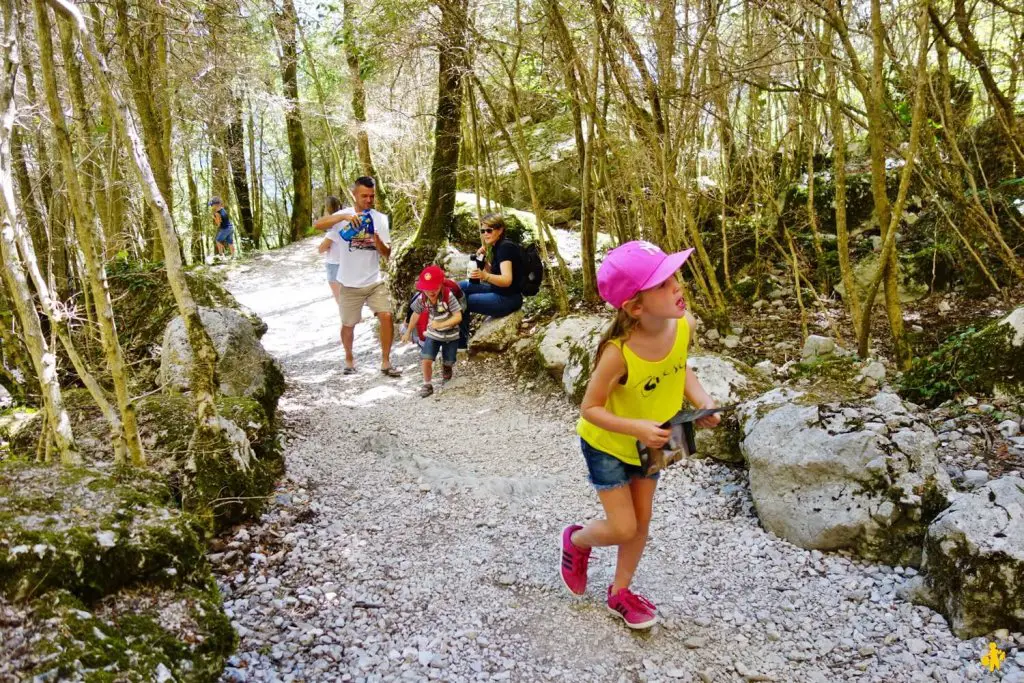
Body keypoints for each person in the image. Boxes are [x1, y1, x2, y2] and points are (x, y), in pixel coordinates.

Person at [559, 240, 721, 630]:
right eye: (664, 284)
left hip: (654, 441)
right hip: (608, 445)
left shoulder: (684, 325)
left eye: (675, 277)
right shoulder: (618, 352)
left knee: (642, 522)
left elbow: (680, 368)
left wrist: (702, 401)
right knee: (623, 527)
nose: (678, 287)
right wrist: (636, 428)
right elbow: (590, 409)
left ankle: (620, 592)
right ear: (635, 307)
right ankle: (577, 541)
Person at [314, 177, 401, 377]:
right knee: (348, 325)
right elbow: (318, 225)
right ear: (354, 194)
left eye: (372, 196)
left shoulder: (380, 218)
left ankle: (386, 362)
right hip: (348, 283)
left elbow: (387, 254)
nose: (369, 200)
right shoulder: (343, 215)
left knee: (386, 316)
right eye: (364, 196)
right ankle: (349, 358)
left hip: (374, 281)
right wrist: (343, 218)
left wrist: (375, 237)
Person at [457, 213, 523, 350]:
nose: (485, 234)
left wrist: (484, 276)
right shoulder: (498, 246)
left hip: (507, 298)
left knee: (464, 302)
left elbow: (506, 280)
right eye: (483, 231)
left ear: (500, 230)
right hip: (499, 290)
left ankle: (460, 345)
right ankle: (450, 332)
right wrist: (482, 259)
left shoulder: (505, 248)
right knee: (459, 287)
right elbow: (496, 273)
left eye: (489, 230)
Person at [401, 265, 462, 398]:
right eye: (427, 288)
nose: (431, 292)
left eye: (434, 287)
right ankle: (427, 384)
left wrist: (441, 324)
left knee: (449, 360)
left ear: (441, 284)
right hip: (433, 334)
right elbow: (415, 314)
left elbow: (458, 316)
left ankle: (447, 366)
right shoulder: (422, 298)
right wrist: (408, 331)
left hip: (451, 335)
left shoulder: (448, 295)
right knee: (426, 358)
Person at [316, 196, 346, 343]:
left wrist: (320, 246)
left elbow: (321, 249)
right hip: (346, 262)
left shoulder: (334, 228)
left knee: (339, 297)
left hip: (334, 264)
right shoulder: (346, 222)